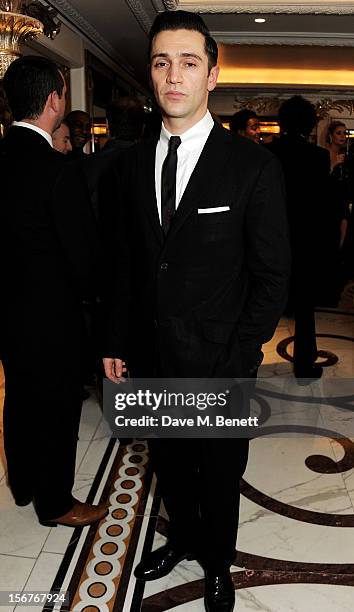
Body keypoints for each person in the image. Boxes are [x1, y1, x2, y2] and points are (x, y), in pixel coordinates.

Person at [102, 11, 290, 612]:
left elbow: (271, 274)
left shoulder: (251, 166)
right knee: (169, 463)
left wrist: (240, 353)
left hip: (219, 360)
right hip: (151, 356)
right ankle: (182, 538)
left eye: (188, 62)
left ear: (213, 73)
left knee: (217, 472)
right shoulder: (127, 165)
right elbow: (126, 265)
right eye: (161, 62)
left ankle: (216, 564)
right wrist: (115, 340)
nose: (173, 75)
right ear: (151, 73)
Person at [0, 56, 107, 527]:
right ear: (53, 100)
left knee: (19, 397)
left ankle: (22, 484)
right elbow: (84, 258)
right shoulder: (59, 170)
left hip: (5, 310)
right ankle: (56, 502)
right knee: (58, 407)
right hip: (51, 315)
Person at [268, 96, 331, 379]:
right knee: (305, 309)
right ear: (308, 123)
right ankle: (305, 366)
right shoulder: (318, 156)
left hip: (270, 237)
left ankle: (246, 362)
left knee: (263, 304)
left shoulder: (266, 152)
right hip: (304, 239)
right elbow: (321, 204)